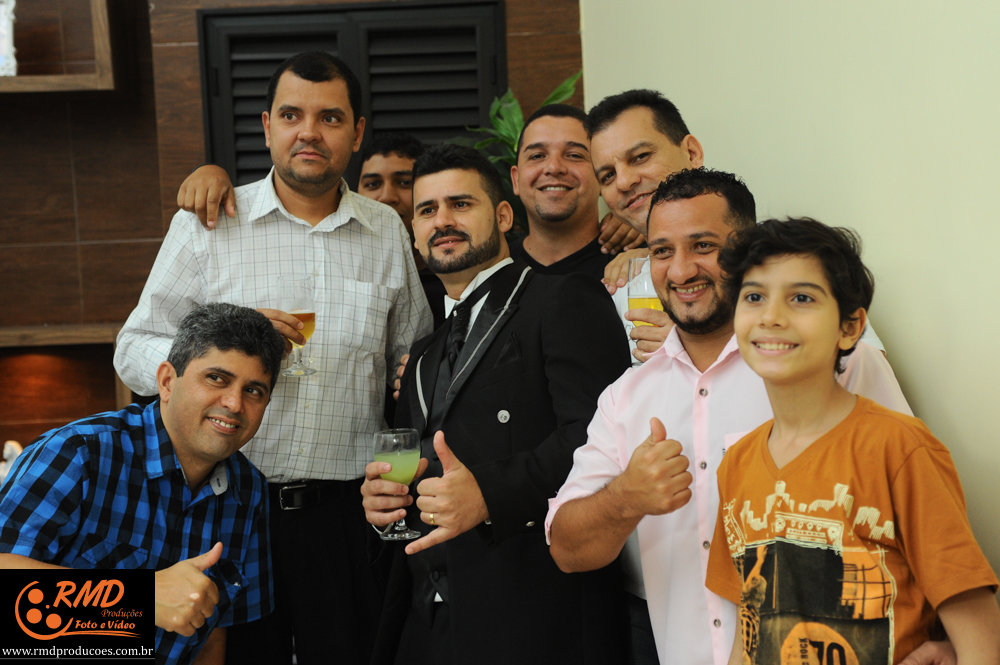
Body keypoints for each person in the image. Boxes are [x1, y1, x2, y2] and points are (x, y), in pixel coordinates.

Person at [544, 168, 946, 665]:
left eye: (703, 246)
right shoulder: (625, 398)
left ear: (747, 252)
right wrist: (628, 497)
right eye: (662, 251)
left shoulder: (836, 361)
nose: (681, 270)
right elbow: (567, 550)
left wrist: (951, 639)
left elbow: (920, 511)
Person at [114, 52, 432, 665]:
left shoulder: (386, 231)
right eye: (291, 115)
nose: (309, 132)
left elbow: (412, 369)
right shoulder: (208, 223)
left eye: (330, 118)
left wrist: (396, 496)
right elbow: (132, 350)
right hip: (224, 505)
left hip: (346, 517)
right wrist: (226, 343)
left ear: (357, 133)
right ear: (267, 127)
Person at [361, 144, 631, 665]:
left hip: (537, 618)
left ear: (504, 216)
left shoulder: (562, 300)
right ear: (414, 233)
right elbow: (417, 469)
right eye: (427, 210)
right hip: (427, 623)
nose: (443, 221)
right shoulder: (422, 353)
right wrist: (384, 506)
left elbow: (598, 437)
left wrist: (488, 494)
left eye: (461, 204)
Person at [707, 218, 999, 664]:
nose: (771, 316)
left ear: (850, 326)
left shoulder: (899, 448)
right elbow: (747, 634)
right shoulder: (737, 463)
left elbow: (978, 633)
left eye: (801, 298)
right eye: (754, 297)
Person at [0, 303, 284, 665]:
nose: (234, 403)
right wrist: (138, 601)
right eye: (216, 378)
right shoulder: (80, 452)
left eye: (254, 390)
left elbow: (211, 635)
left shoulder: (250, 490)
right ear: (166, 382)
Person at [586, 89, 889, 363]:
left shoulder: (788, 258)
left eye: (640, 157)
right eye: (608, 176)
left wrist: (695, 348)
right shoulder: (619, 286)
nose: (624, 181)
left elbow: (868, 375)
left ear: (691, 153)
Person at [508, 103, 643, 279]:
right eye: (537, 156)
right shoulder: (489, 269)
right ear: (515, 180)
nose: (554, 167)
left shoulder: (642, 264)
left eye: (574, 155)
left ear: (602, 176)